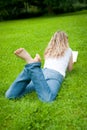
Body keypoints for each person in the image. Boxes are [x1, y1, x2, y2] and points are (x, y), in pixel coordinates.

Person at [5, 31, 73, 102]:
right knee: (48, 99)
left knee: (11, 96)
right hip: (55, 75)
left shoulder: (49, 49)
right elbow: (70, 69)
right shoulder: (69, 50)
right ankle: (33, 65)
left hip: (42, 73)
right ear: (66, 40)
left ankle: (31, 66)